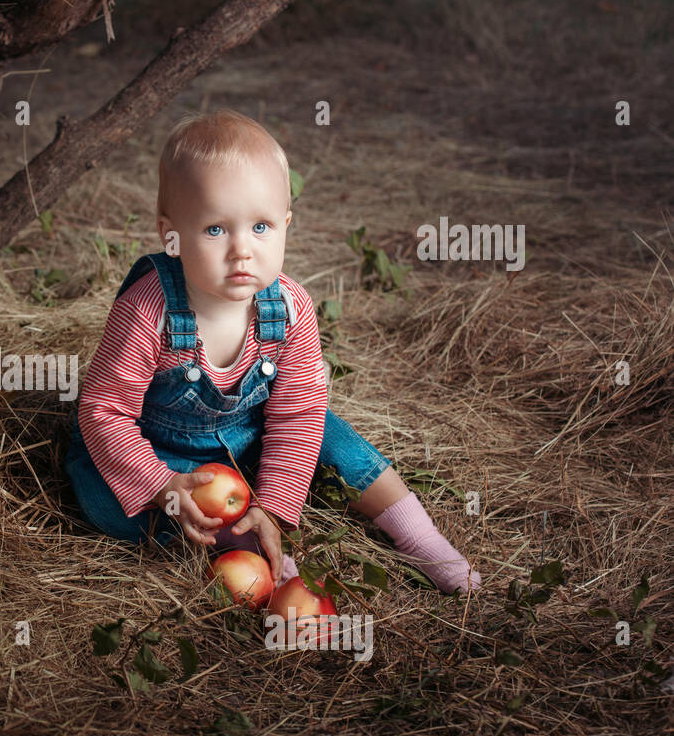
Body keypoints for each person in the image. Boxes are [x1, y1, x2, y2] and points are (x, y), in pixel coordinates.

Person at [65, 109, 481, 595]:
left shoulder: (289, 307)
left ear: (286, 223)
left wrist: (276, 503)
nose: (243, 249)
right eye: (216, 230)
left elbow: (296, 415)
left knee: (325, 429)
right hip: (158, 451)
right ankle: (230, 539)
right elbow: (104, 410)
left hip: (252, 439)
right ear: (170, 235)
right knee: (105, 502)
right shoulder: (148, 309)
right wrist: (162, 486)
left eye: (261, 227)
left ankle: (420, 537)